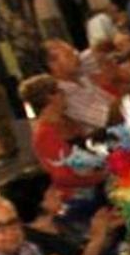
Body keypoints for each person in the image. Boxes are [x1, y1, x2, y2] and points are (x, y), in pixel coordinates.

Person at [18, 74, 106, 225]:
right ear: (49, 97)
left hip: (96, 182)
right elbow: (62, 176)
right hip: (80, 197)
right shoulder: (44, 134)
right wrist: (101, 176)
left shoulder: (67, 119)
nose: (64, 94)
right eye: (59, 91)